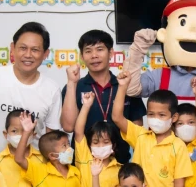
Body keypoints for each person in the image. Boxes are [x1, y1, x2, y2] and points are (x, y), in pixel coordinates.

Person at [0, 22, 62, 158]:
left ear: (45, 54)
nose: (28, 55)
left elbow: (51, 136)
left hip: (31, 164)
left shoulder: (52, 89)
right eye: (23, 48)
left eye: (35, 50)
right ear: (12, 48)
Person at [59, 30, 147, 164]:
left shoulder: (125, 85)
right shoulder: (74, 86)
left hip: (120, 164)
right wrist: (71, 83)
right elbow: (68, 126)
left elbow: (137, 130)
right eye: (88, 51)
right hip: (83, 164)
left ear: (111, 53)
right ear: (82, 56)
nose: (94, 55)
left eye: (100, 49)